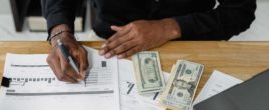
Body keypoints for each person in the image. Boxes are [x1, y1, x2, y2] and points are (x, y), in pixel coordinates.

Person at [41, 0, 256, 82]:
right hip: (109, 42)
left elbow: (240, 12)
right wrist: (60, 33)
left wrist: (169, 27)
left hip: (192, 39)